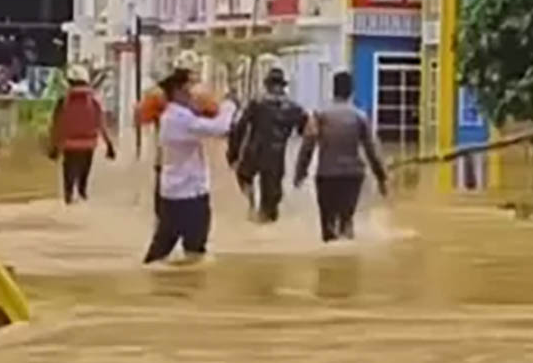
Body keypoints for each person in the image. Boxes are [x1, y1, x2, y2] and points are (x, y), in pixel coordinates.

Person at [144, 68, 236, 264]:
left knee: (163, 250)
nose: (195, 92)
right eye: (191, 86)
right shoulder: (179, 118)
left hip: (177, 191)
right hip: (187, 194)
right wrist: (229, 105)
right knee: (193, 251)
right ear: (178, 91)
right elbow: (220, 128)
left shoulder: (175, 115)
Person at [294, 70, 388, 242]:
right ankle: (347, 261)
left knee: (328, 224)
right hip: (353, 176)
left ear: (333, 90)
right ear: (351, 91)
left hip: (326, 175)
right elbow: (371, 150)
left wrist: (300, 172)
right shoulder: (360, 117)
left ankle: (330, 263)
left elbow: (307, 145)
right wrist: (381, 177)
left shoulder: (320, 115)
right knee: (346, 220)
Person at [227, 66, 308, 222]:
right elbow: (306, 131)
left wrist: (232, 154)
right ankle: (264, 218)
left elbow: (239, 128)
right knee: (271, 200)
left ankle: (251, 206)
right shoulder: (294, 108)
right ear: (283, 86)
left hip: (254, 153)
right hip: (276, 157)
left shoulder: (256, 103)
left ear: (267, 85)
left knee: (245, 177)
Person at [48, 64, 115, 204]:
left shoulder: (63, 102)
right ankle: (82, 192)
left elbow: (56, 125)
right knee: (85, 170)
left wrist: (53, 146)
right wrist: (109, 145)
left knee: (68, 171)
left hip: (68, 144)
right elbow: (101, 125)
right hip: (88, 143)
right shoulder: (93, 101)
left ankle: (68, 195)